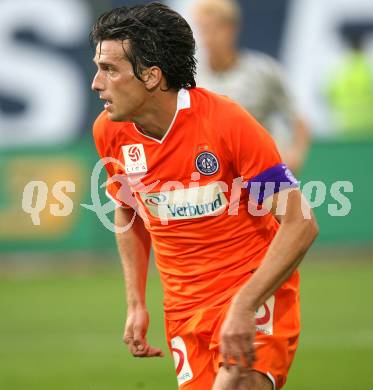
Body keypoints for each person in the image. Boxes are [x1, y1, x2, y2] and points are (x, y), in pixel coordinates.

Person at [90, 3, 318, 390]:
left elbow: (300, 222)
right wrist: (135, 302)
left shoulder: (227, 124)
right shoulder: (110, 132)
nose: (96, 83)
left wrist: (245, 305)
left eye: (109, 69)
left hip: (252, 291)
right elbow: (127, 212)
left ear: (151, 75)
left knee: (240, 383)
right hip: (184, 309)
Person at [193, 0, 310, 173]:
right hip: (217, 178)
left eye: (215, 28)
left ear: (232, 29)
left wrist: (294, 156)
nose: (208, 37)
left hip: (263, 172)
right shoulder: (192, 78)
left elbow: (298, 122)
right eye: (203, 29)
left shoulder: (263, 72)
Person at [326, 31, 373, 138]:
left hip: (346, 126)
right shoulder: (369, 70)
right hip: (368, 128)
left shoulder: (341, 71)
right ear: (363, 48)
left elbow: (329, 94)